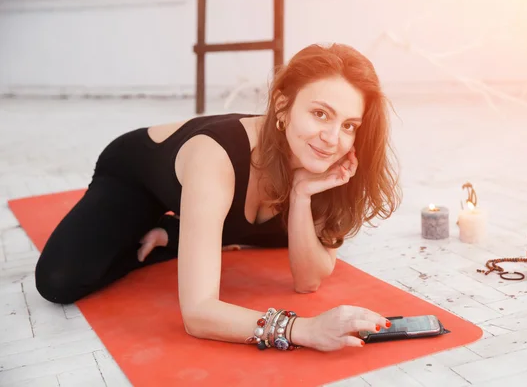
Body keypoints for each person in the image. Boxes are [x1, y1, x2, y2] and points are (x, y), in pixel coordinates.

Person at [34, 43, 402, 352]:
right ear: (282, 106)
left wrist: (303, 194)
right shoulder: (216, 157)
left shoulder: (327, 163)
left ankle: (184, 233)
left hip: (221, 198)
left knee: (279, 234)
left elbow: (308, 280)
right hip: (139, 177)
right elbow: (197, 314)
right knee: (59, 281)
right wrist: (303, 330)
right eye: (320, 114)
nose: (332, 138)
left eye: (349, 125)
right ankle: (175, 230)